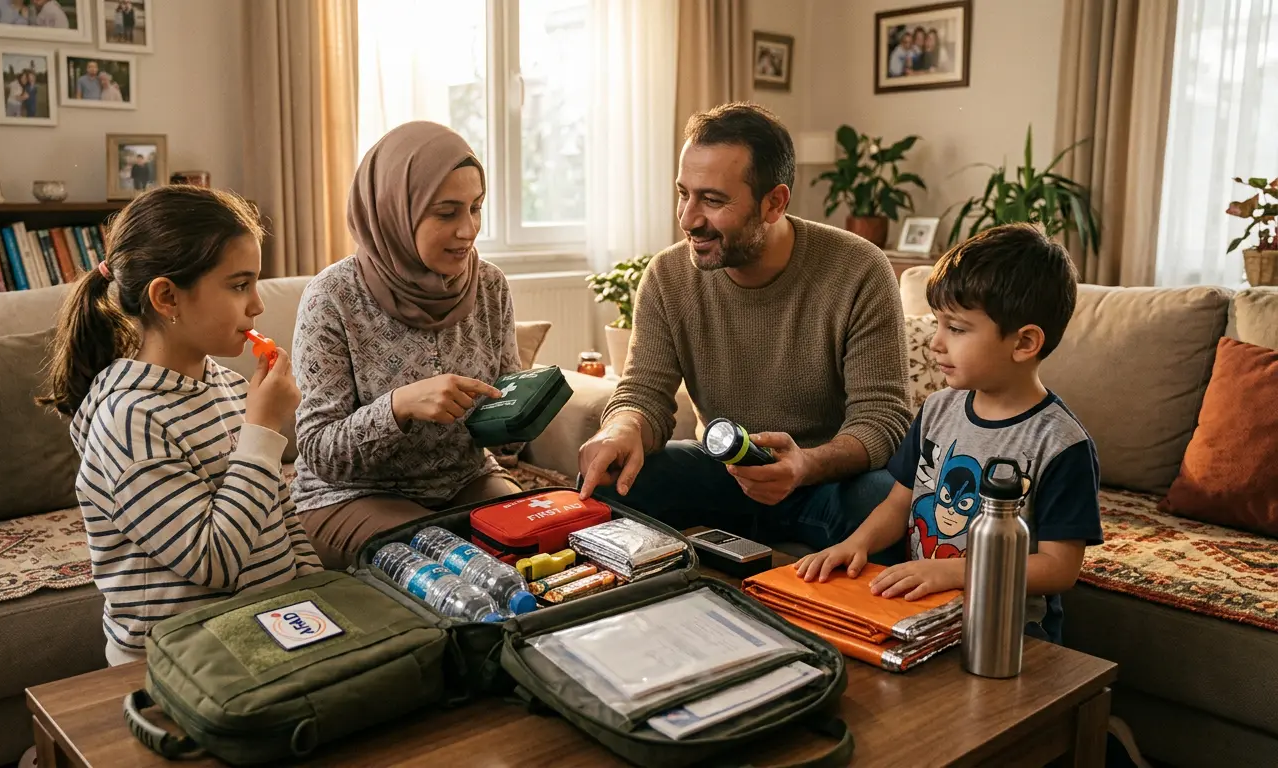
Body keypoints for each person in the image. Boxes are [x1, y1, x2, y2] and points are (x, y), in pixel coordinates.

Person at [577, 102, 911, 554]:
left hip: (826, 480)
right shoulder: (666, 276)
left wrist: (804, 466)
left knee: (892, 503)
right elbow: (643, 395)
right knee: (610, 481)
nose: (688, 218)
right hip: (720, 470)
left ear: (774, 203)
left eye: (712, 201)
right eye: (684, 193)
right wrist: (621, 428)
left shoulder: (859, 268)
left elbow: (883, 419)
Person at [37, 185, 324, 666]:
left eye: (256, 283)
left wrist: (319, 597)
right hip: (181, 662)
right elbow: (211, 561)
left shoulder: (231, 387)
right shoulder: (128, 420)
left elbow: (279, 516)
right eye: (238, 285)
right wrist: (262, 431)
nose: (257, 304)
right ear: (167, 297)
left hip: (264, 634)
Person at [796, 223, 1103, 645]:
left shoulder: (1062, 445)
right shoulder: (937, 410)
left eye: (956, 329)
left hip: (1011, 635)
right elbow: (899, 502)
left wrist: (951, 572)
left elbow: (1059, 568)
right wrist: (856, 544)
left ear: (1024, 342)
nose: (936, 343)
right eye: (937, 324)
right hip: (925, 617)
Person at [292, 121, 523, 570]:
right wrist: (397, 408)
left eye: (476, 208)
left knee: (537, 544)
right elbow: (319, 451)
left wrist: (519, 411)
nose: (468, 229)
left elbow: (502, 415)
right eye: (446, 212)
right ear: (394, 210)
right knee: (450, 575)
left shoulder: (489, 284)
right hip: (352, 495)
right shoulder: (332, 297)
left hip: (466, 479)